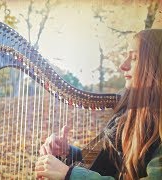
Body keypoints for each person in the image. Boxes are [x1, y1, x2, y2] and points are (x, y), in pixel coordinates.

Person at [35, 29, 162, 179]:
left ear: (156, 66)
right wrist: (69, 153)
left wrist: (70, 174)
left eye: (134, 58)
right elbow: (110, 163)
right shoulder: (129, 114)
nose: (123, 66)